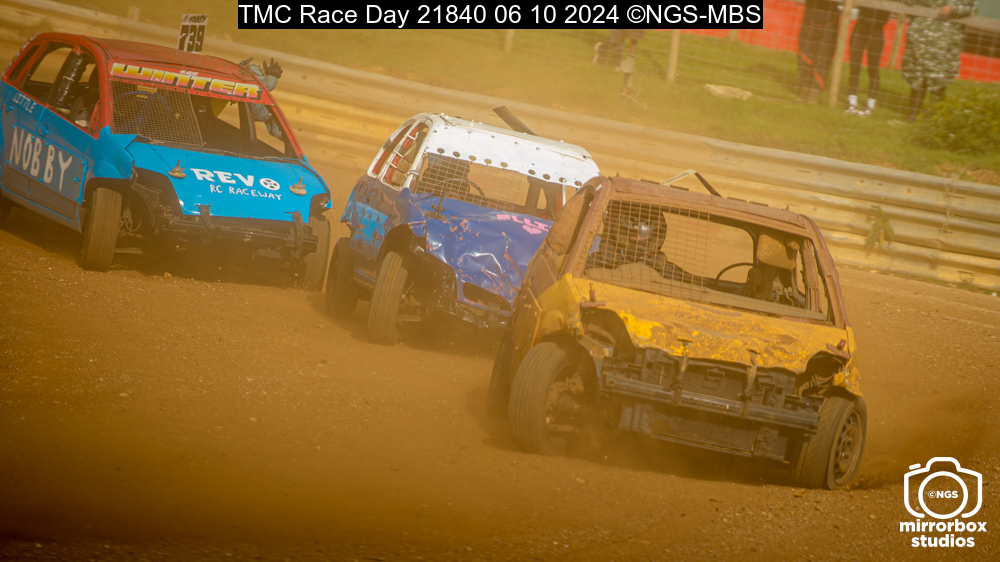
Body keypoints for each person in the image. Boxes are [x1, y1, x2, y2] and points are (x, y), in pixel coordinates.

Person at [901, 0, 978, 121]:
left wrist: (953, 9)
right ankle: (912, 116)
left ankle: (937, 119)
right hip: (920, 37)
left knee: (939, 79)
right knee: (917, 76)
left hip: (944, 41)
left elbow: (972, 8)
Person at [845, 7, 892, 116]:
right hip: (860, 27)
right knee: (854, 66)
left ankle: (870, 105)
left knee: (873, 68)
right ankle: (852, 102)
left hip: (876, 30)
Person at [796, 0, 841, 104]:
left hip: (829, 17)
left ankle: (814, 91)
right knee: (804, 52)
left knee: (824, 55)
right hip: (811, 15)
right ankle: (804, 89)